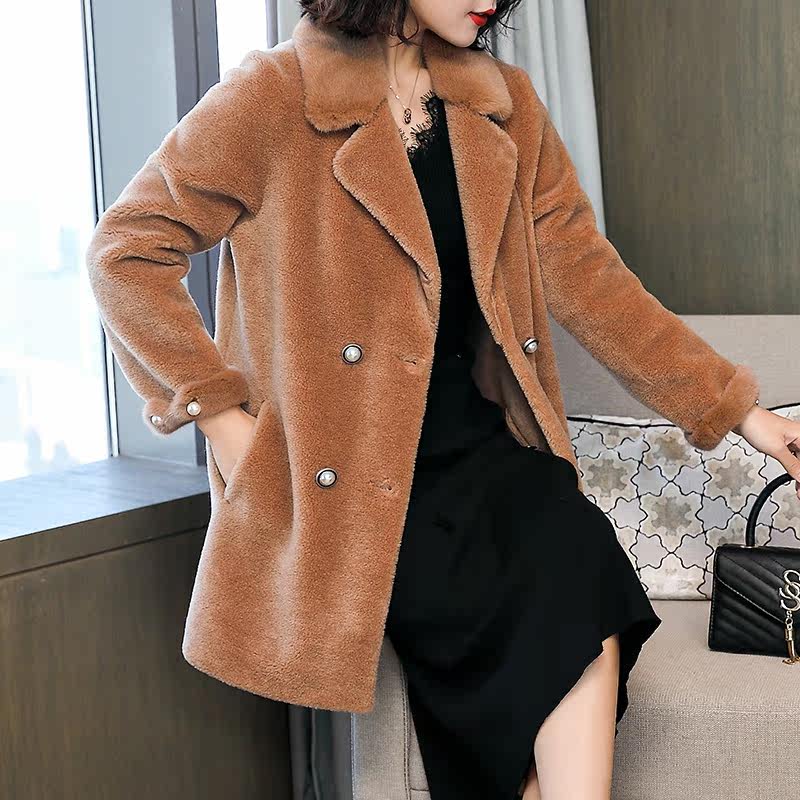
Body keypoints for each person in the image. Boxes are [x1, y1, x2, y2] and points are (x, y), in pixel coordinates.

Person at [86, 2, 800, 799]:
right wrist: (223, 422)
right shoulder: (276, 97)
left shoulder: (503, 104)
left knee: (576, 554)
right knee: (548, 617)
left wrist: (739, 410)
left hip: (481, 451)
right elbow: (124, 251)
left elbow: (593, 282)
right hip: (355, 480)